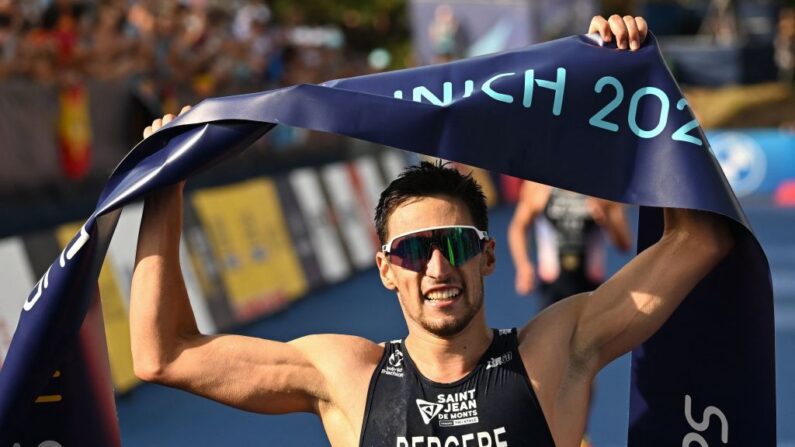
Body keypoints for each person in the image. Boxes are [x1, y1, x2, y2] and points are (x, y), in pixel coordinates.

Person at [130, 15, 734, 447]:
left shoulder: (556, 349)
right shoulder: (346, 376)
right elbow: (163, 355)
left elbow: (700, 240)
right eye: (415, 251)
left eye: (456, 245)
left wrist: (646, 88)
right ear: (387, 268)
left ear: (487, 256)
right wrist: (165, 187)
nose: (438, 270)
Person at [508, 180, 632, 305]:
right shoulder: (540, 185)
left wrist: (606, 219)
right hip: (553, 289)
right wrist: (523, 265)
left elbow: (624, 244)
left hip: (591, 290)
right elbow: (518, 227)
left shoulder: (602, 187)